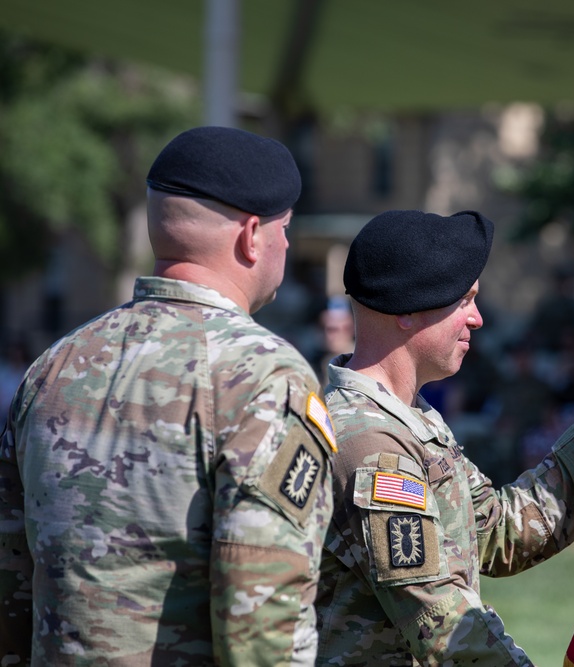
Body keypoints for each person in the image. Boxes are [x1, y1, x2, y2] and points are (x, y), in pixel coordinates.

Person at [0, 126, 337, 665]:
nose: (288, 245)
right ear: (252, 236)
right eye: (285, 229)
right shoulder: (265, 376)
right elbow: (262, 617)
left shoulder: (53, 366)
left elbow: (12, 579)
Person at [314, 209, 574, 665]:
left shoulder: (406, 419)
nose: (477, 319)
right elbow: (442, 622)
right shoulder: (371, 444)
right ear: (407, 310)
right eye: (464, 301)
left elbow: (499, 533)